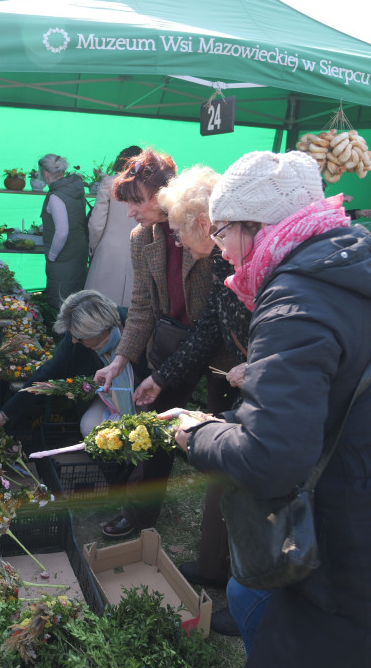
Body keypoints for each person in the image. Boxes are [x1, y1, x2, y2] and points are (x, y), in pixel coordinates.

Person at [170, 150, 371, 667]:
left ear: (256, 226)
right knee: (248, 597)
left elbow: (270, 457)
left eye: (222, 232)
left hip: (345, 537)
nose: (221, 250)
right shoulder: (348, 264)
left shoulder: (294, 301)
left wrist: (197, 434)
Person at [94, 148, 237, 539]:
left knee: (223, 437)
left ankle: (219, 537)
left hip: (221, 350)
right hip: (171, 340)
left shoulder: (208, 231)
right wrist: (120, 358)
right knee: (153, 428)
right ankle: (139, 514)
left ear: (164, 194)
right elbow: (142, 305)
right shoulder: (142, 239)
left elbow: (214, 323)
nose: (130, 213)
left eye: (136, 201)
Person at [132, 165, 249, 636]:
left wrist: (259, 368)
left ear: (205, 223)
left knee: (249, 485)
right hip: (243, 376)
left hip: (262, 385)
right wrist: (160, 379)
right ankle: (216, 568)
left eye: (179, 229)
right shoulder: (224, 260)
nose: (176, 241)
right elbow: (207, 329)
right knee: (225, 476)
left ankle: (247, 592)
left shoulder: (249, 263)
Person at [0, 289, 138, 437]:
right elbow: (48, 372)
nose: (73, 341)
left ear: (99, 331)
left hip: (142, 394)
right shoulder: (76, 337)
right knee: (90, 427)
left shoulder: (137, 326)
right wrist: (4, 415)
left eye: (78, 337)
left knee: (139, 431)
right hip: (107, 396)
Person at [84, 145, 141, 308]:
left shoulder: (109, 182)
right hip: (138, 253)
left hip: (108, 253)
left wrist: (93, 247)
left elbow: (96, 223)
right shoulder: (149, 187)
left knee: (98, 311)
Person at [38, 153, 88, 309]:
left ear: (45, 173)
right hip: (78, 252)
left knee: (62, 304)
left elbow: (62, 232)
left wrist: (52, 256)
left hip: (63, 258)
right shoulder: (74, 188)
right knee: (76, 301)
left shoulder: (56, 196)